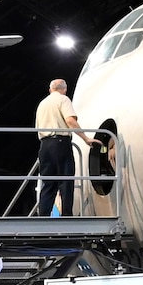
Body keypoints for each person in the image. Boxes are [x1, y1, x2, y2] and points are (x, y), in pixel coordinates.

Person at [33, 77, 88, 217]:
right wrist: (86, 138)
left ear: (50, 89)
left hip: (44, 145)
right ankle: (67, 216)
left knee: (48, 183)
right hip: (60, 143)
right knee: (66, 181)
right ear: (64, 89)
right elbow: (70, 120)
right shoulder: (63, 100)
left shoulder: (42, 104)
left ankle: (43, 217)